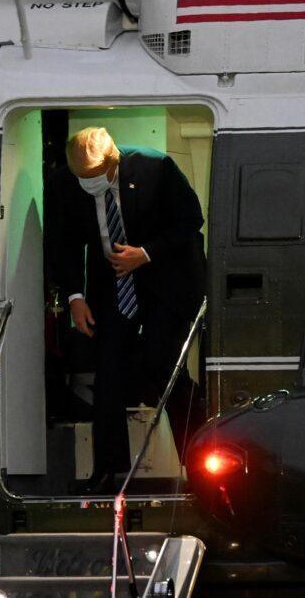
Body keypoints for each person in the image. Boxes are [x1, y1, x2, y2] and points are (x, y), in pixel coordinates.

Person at [54, 127, 207, 493]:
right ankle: (107, 471)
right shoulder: (66, 181)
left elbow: (191, 221)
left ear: (112, 163)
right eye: (81, 178)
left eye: (94, 177)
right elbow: (64, 242)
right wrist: (75, 297)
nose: (87, 184)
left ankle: (199, 461)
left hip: (164, 278)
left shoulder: (156, 167)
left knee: (164, 365)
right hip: (112, 283)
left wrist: (146, 253)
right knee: (107, 373)